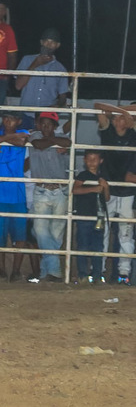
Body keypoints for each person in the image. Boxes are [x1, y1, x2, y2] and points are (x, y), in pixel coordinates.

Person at [0, 109, 31, 281]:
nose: (8, 121)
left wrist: (3, 140)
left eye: (12, 119)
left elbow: (22, 141)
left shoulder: (21, 133)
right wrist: (9, 138)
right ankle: (2, 271)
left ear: (18, 121)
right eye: (5, 118)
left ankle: (15, 271)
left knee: (20, 236)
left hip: (16, 195)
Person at [94, 102, 136, 284]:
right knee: (103, 231)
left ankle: (123, 273)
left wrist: (124, 113)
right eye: (116, 118)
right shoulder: (107, 131)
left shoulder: (133, 133)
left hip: (127, 191)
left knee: (126, 234)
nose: (119, 121)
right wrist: (123, 111)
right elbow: (97, 105)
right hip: (108, 189)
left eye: (122, 118)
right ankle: (100, 271)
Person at [27, 112, 70, 282]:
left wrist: (52, 141)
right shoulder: (34, 137)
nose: (45, 127)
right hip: (42, 189)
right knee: (40, 230)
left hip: (60, 189)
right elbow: (38, 145)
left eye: (49, 125)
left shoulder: (61, 138)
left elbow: (68, 142)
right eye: (43, 124)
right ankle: (55, 270)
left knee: (56, 233)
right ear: (38, 125)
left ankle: (46, 273)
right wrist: (54, 141)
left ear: (54, 126)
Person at [73, 150, 110, 284]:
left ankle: (97, 275)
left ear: (101, 161)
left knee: (98, 246)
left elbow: (107, 198)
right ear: (84, 160)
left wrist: (106, 187)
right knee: (83, 245)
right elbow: (75, 190)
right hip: (84, 216)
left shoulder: (102, 176)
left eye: (95, 159)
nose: (92, 162)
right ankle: (82, 275)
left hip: (99, 216)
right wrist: (93, 189)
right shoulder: (82, 175)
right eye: (89, 159)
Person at [15, 28, 69, 110]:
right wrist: (35, 64)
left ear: (57, 45)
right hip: (26, 111)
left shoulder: (61, 69)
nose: (49, 45)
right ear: (41, 42)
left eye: (52, 42)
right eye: (46, 41)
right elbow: (18, 86)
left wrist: (56, 106)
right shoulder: (27, 60)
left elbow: (63, 96)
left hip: (47, 114)